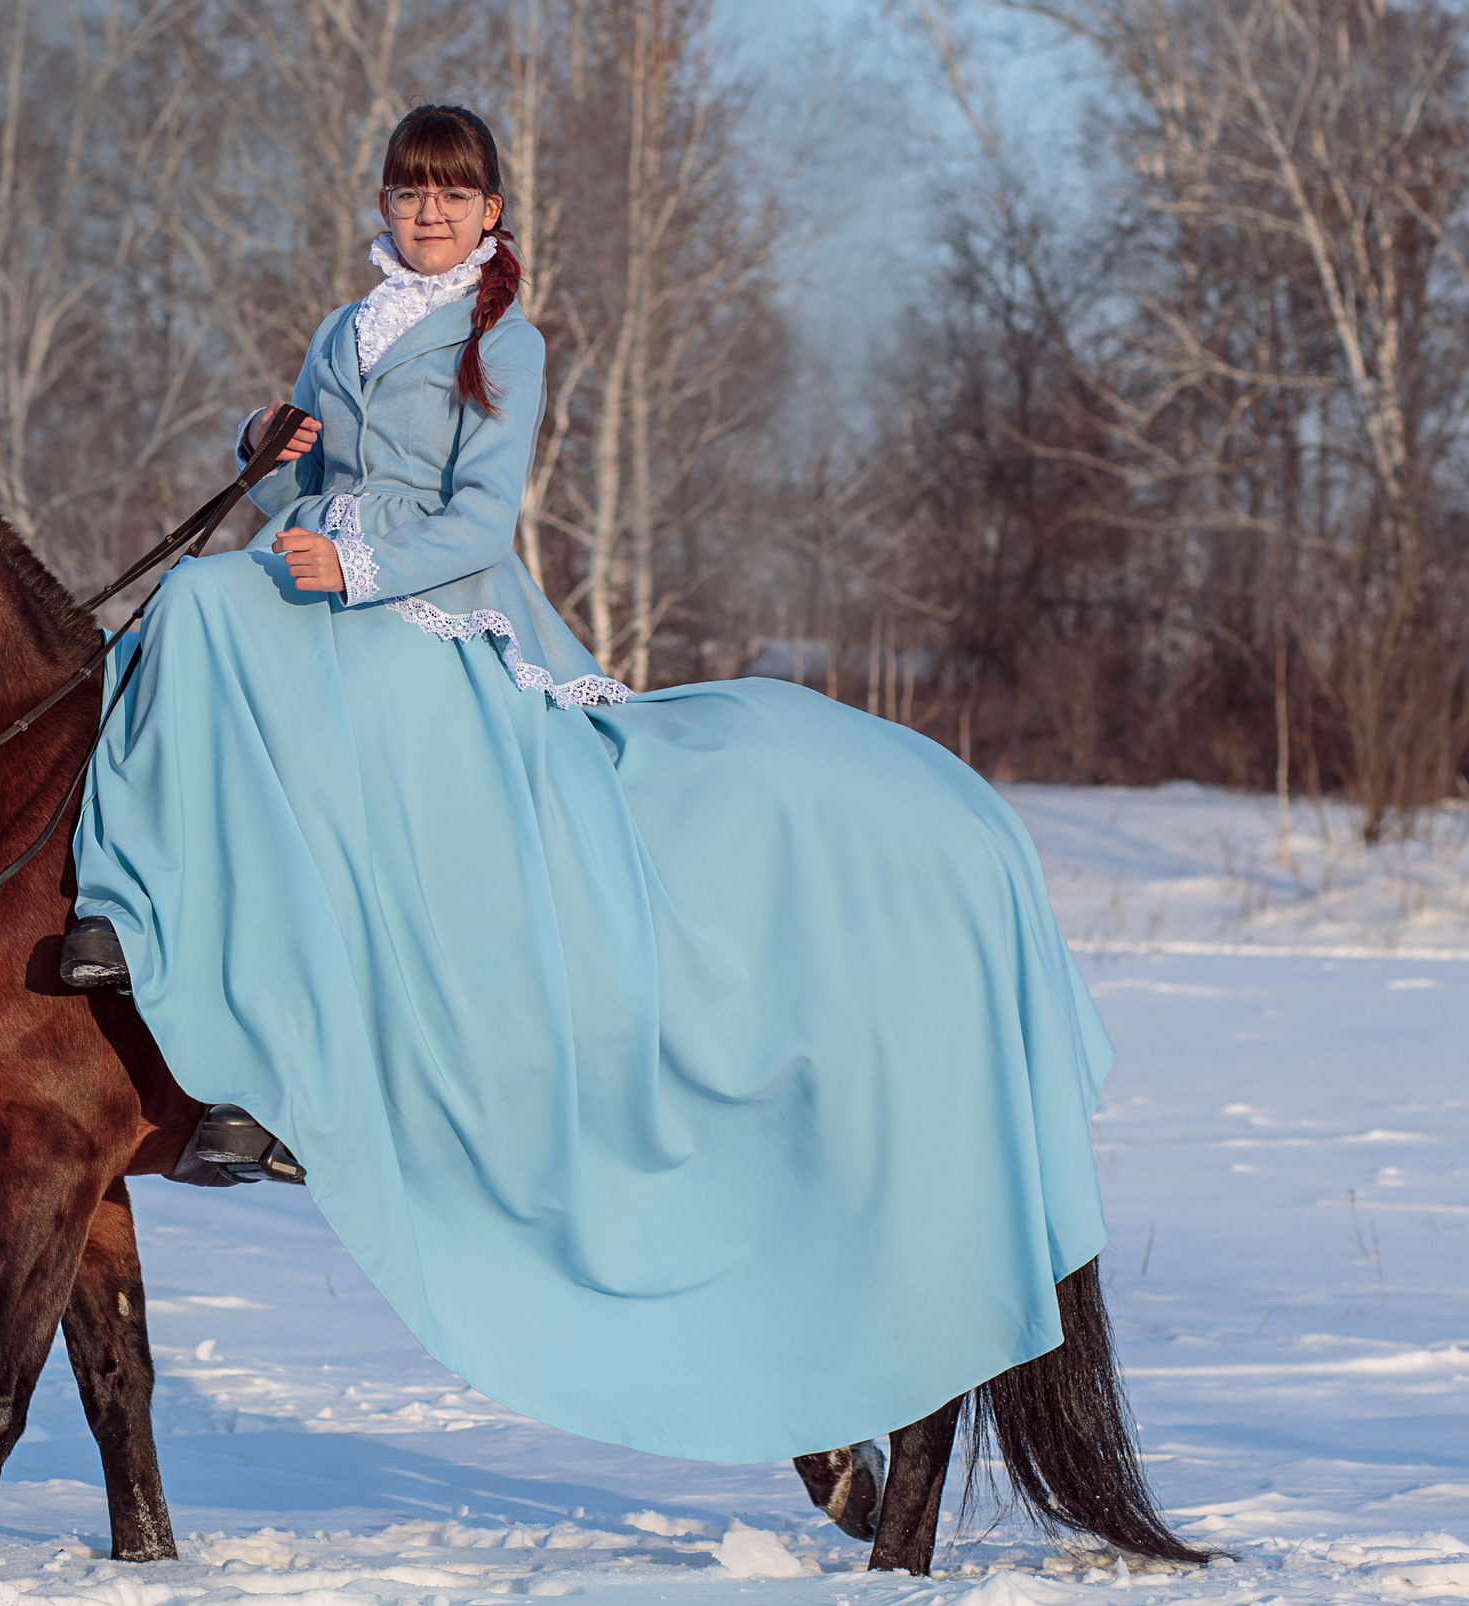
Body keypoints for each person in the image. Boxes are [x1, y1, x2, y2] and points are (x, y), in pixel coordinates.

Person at [61, 104, 1117, 1465]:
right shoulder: (349, 326)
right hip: (313, 577)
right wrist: (267, 443)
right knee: (157, 626)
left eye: (455, 194)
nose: (430, 212)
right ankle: (142, 929)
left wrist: (355, 569)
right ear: (383, 199)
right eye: (412, 189)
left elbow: (473, 524)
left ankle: (174, 951)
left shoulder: (507, 341)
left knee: (205, 611)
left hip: (424, 607)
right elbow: (318, 475)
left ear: (493, 212)